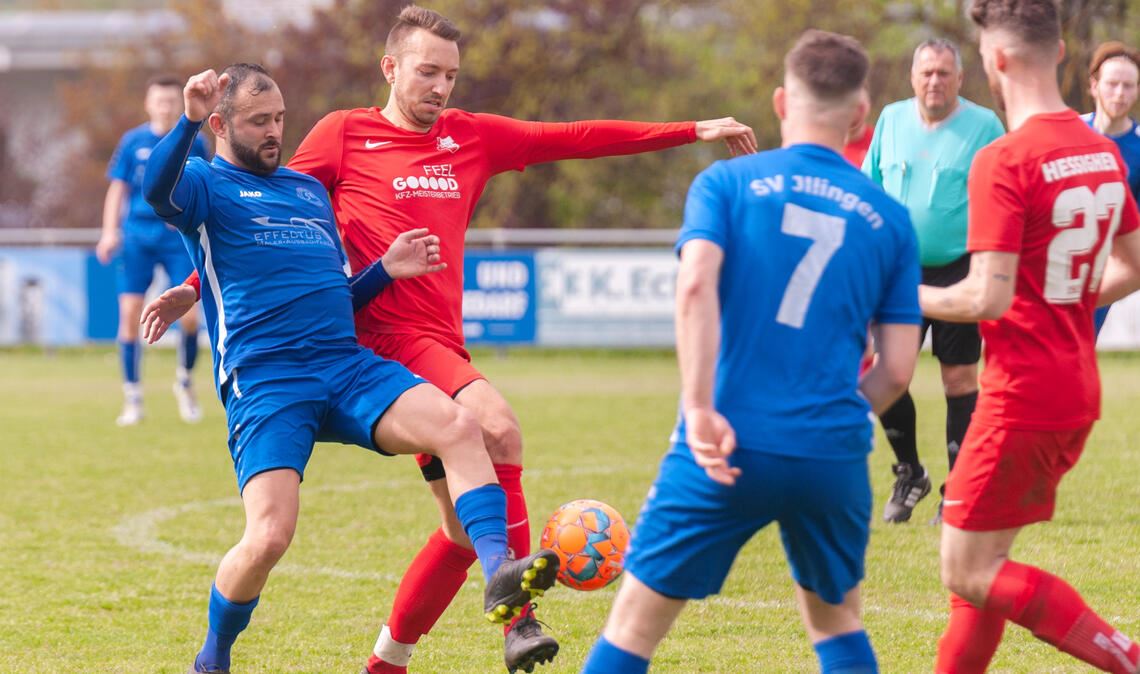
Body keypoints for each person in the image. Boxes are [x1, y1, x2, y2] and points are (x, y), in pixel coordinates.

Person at [141, 64, 561, 674]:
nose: (274, 132)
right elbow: (157, 189)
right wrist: (183, 121)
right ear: (219, 124)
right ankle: (213, 657)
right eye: (259, 121)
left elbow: (336, 294)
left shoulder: (307, 192)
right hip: (268, 383)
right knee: (268, 538)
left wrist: (385, 270)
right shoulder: (204, 186)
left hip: (346, 366)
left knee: (460, 426)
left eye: (280, 119)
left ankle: (502, 582)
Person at [581, 29, 921, 674]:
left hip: (724, 441)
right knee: (837, 622)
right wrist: (834, 414)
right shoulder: (890, 218)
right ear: (860, 116)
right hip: (831, 451)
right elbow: (898, 371)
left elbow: (695, 286)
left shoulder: (726, 184)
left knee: (633, 628)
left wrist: (700, 406)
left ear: (781, 102)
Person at [921, 2, 1140, 671]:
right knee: (982, 567)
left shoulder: (1005, 158)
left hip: (1020, 397)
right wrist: (1063, 303)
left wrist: (891, 299)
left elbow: (985, 294)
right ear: (1064, 54)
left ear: (996, 62)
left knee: (968, 573)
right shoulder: (1099, 151)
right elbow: (1134, 263)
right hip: (1072, 385)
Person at [863, 38, 1005, 524]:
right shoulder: (891, 119)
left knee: (959, 377)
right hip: (898, 269)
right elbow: (871, 188)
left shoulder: (985, 125)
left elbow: (1002, 197)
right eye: (926, 72)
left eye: (944, 73)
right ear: (912, 77)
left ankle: (958, 489)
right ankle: (910, 474)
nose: (934, 81)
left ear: (960, 79)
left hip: (960, 267)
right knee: (887, 372)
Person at [96, 75, 210, 426]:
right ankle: (132, 397)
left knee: (189, 316)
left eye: (171, 101)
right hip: (138, 237)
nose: (165, 107)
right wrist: (108, 231)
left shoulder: (196, 141)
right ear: (148, 104)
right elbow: (118, 189)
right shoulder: (133, 142)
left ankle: (185, 382)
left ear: (181, 104)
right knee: (129, 314)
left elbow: (207, 183)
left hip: (178, 237)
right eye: (159, 101)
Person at [1083, 41, 1140, 335]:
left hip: (1108, 270)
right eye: (1112, 84)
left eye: (1129, 86)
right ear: (1094, 85)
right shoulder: (1069, 133)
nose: (1120, 93)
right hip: (1058, 261)